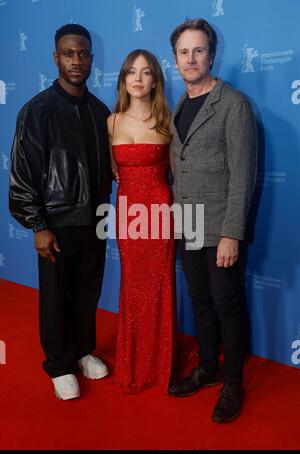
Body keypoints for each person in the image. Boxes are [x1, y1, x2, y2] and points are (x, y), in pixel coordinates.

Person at [9, 24, 112, 400]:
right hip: (55, 224)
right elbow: (22, 174)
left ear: (91, 59)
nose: (76, 60)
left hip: (95, 221)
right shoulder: (36, 110)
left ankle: (84, 350)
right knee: (55, 296)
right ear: (56, 57)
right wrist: (37, 224)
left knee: (87, 293)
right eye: (69, 53)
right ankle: (59, 364)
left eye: (83, 54)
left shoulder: (101, 111)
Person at [168, 19, 257, 423]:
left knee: (227, 304)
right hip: (187, 227)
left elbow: (243, 176)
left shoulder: (234, 104)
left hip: (220, 231)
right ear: (175, 59)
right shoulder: (178, 107)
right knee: (200, 301)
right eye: (184, 52)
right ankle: (208, 367)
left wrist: (231, 235)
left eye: (198, 50)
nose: (191, 58)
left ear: (211, 55)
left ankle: (233, 382)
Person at [107, 50, 175, 393]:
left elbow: (178, 174)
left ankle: (160, 365)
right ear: (123, 79)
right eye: (131, 71)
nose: (137, 78)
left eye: (146, 72)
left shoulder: (168, 121)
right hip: (128, 217)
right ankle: (133, 362)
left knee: (159, 287)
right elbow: (114, 171)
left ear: (155, 81)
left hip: (159, 215)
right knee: (132, 287)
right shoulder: (112, 122)